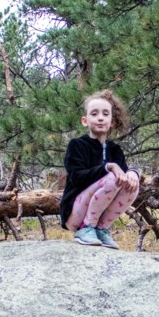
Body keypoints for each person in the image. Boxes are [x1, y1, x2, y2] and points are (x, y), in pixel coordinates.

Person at [59, 90, 139, 249]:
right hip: (75, 213)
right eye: (94, 114)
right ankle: (85, 228)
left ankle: (101, 229)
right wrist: (108, 167)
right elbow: (77, 178)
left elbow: (123, 177)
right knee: (112, 178)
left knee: (132, 184)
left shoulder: (115, 150)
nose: (100, 117)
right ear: (85, 121)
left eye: (105, 114)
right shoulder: (77, 145)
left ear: (112, 121)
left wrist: (132, 174)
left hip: (98, 219)